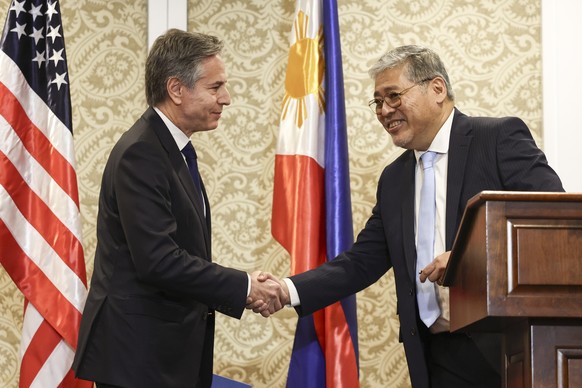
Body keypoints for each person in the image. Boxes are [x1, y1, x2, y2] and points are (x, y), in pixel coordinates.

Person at [253, 45, 564, 387]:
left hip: (508, 351)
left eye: (394, 96)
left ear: (437, 89)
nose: (385, 111)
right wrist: (287, 289)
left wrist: (469, 259)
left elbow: (554, 227)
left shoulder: (498, 138)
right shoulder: (394, 179)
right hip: (434, 357)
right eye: (378, 102)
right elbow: (360, 262)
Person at [72, 29, 286, 388]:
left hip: (164, 356)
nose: (227, 98)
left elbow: (183, 252)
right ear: (176, 89)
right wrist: (245, 285)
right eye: (215, 87)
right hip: (138, 360)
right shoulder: (142, 153)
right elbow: (159, 260)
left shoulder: (173, 149)